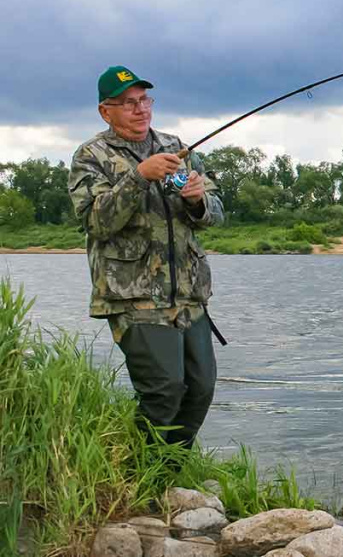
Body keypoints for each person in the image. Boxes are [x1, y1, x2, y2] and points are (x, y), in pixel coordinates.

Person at [68, 65, 226, 450]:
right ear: (106, 111)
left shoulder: (175, 146)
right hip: (133, 296)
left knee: (200, 388)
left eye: (144, 100)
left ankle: (169, 474)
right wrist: (139, 176)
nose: (140, 109)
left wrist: (197, 199)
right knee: (164, 390)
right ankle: (139, 474)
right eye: (128, 103)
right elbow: (96, 221)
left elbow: (216, 213)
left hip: (188, 293)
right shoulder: (92, 155)